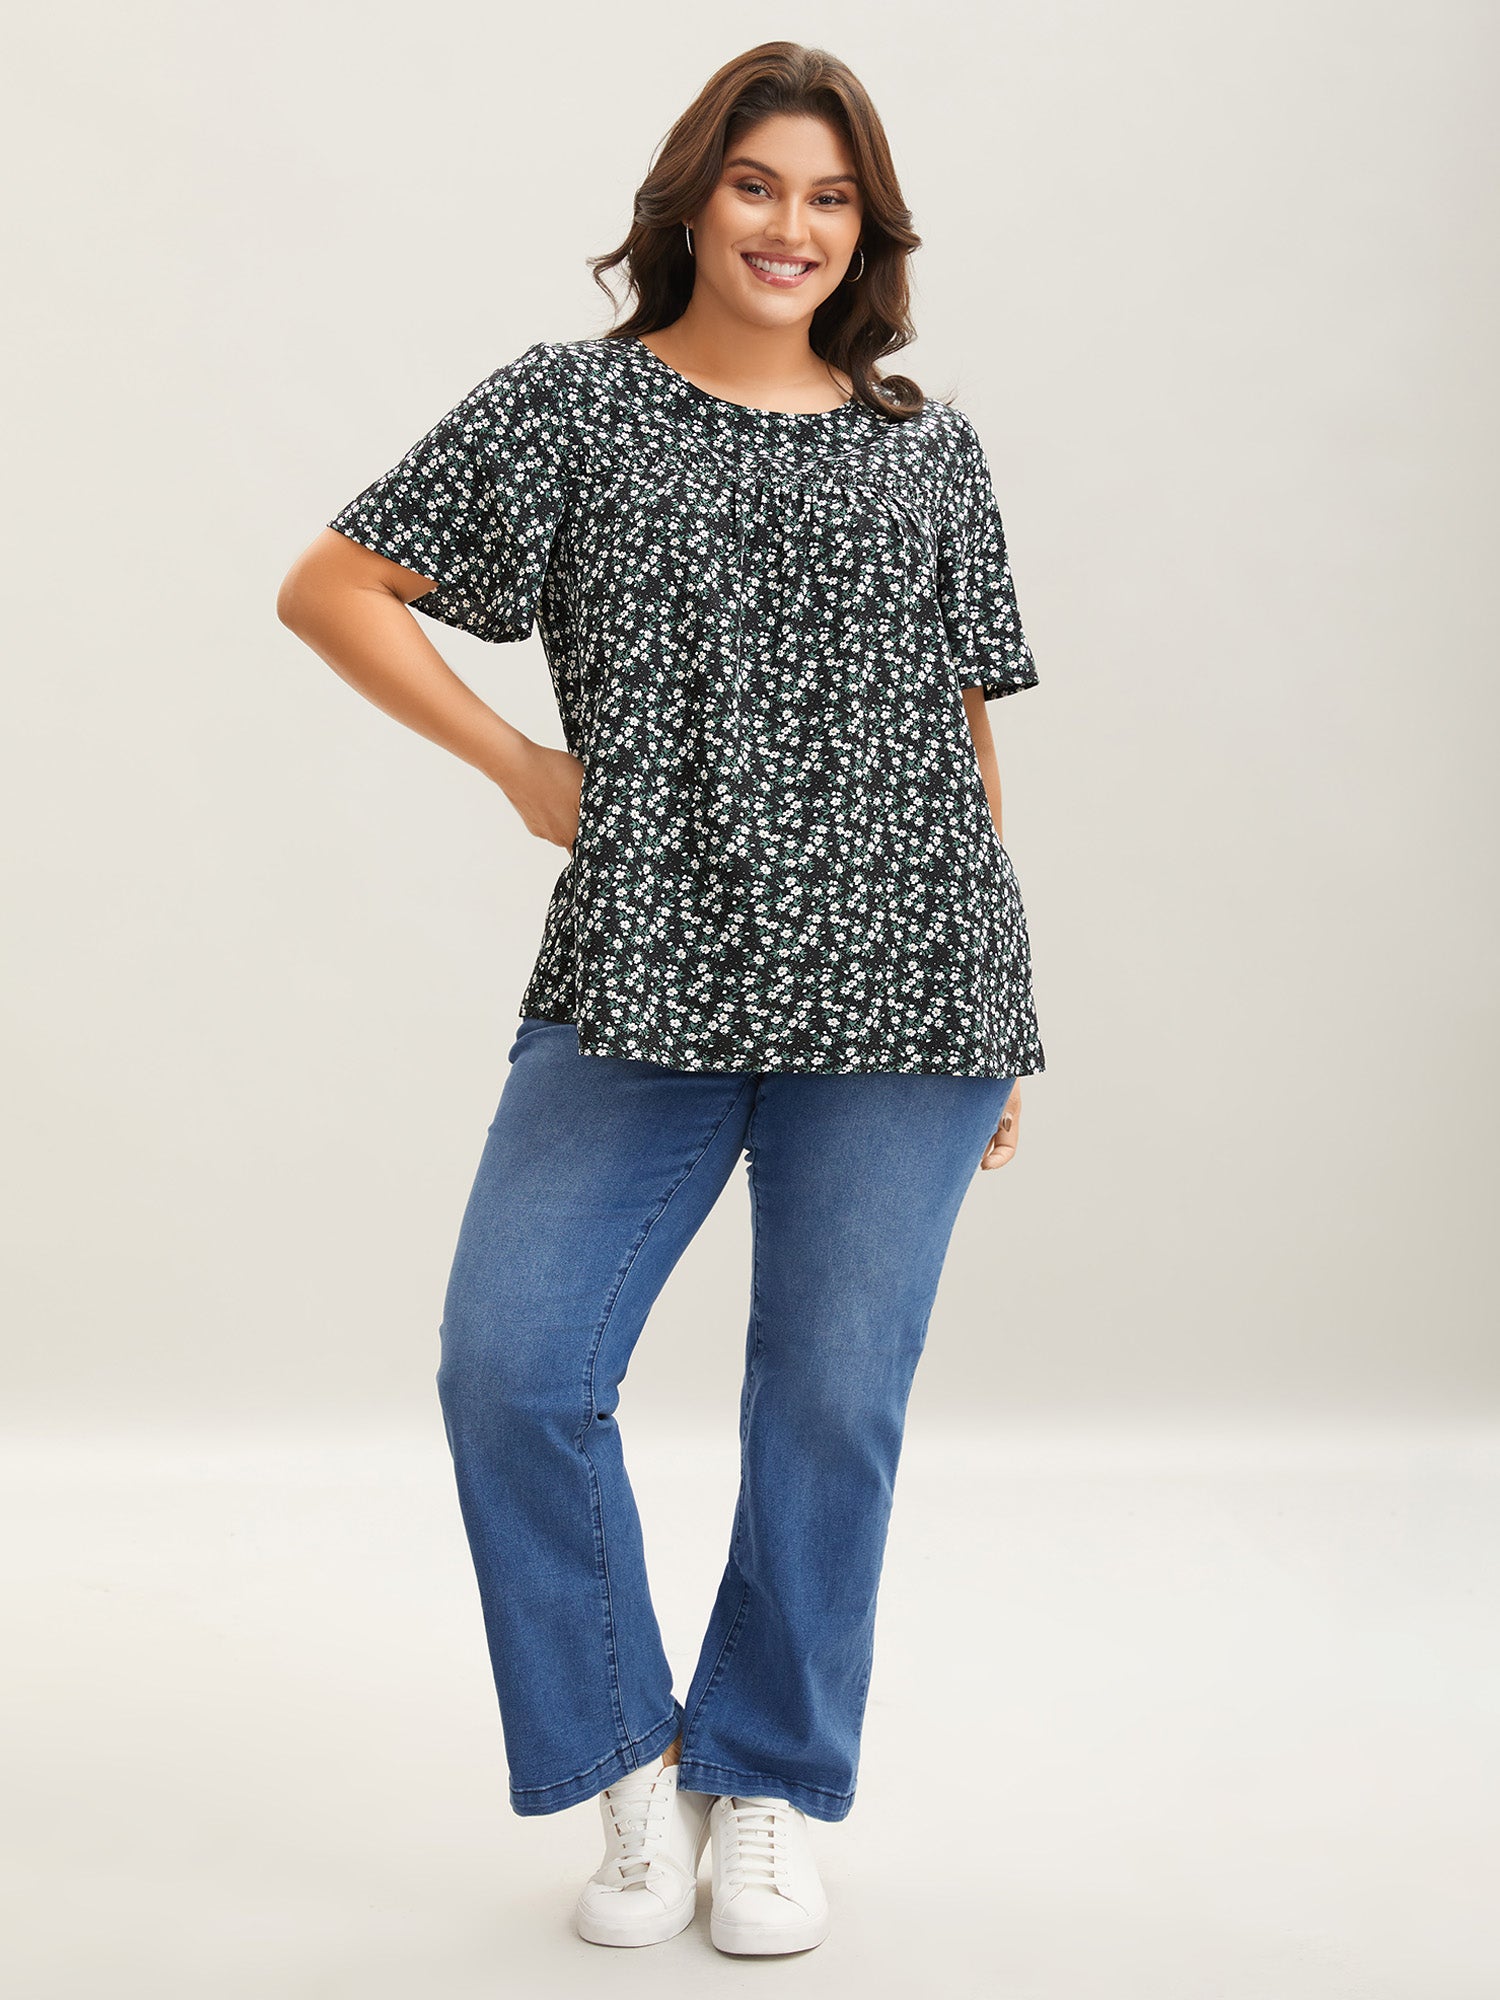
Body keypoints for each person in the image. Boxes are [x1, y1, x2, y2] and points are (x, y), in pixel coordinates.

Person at [277, 39, 1044, 1959]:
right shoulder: (572, 407)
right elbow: (332, 585)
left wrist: (1003, 1013)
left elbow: (961, 728)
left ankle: (767, 1779)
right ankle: (631, 1762)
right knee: (513, 1367)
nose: (792, 226)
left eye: (831, 198)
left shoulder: (927, 449)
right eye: (758, 184)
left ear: (866, 231)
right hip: (641, 968)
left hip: (911, 985)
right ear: (693, 199)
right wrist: (519, 766)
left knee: (834, 1401)